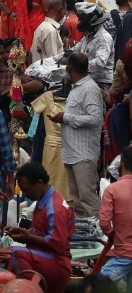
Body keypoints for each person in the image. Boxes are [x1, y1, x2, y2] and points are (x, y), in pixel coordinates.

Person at [47, 53, 104, 218]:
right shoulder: (76, 88)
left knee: (87, 199)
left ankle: (102, 237)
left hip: (84, 155)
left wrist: (65, 117)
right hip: (72, 154)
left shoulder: (90, 89)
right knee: (78, 201)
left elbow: (95, 119)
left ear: (69, 68)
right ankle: (84, 239)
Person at [2, 162, 74, 293]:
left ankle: (32, 290)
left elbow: (57, 242)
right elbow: (42, 235)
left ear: (39, 183)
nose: (24, 194)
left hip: (57, 265)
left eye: (26, 189)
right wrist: (25, 234)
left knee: (12, 253)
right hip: (47, 259)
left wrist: (28, 237)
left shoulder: (54, 208)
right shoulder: (44, 201)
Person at [99, 145, 132, 283]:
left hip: (123, 253)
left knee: (97, 286)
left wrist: (114, 235)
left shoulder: (113, 189)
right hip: (123, 253)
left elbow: (104, 222)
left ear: (121, 163)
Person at [31, 0, 65, 64]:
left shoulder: (42, 26)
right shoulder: (50, 30)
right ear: (60, 9)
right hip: (46, 72)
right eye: (65, 9)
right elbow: (53, 60)